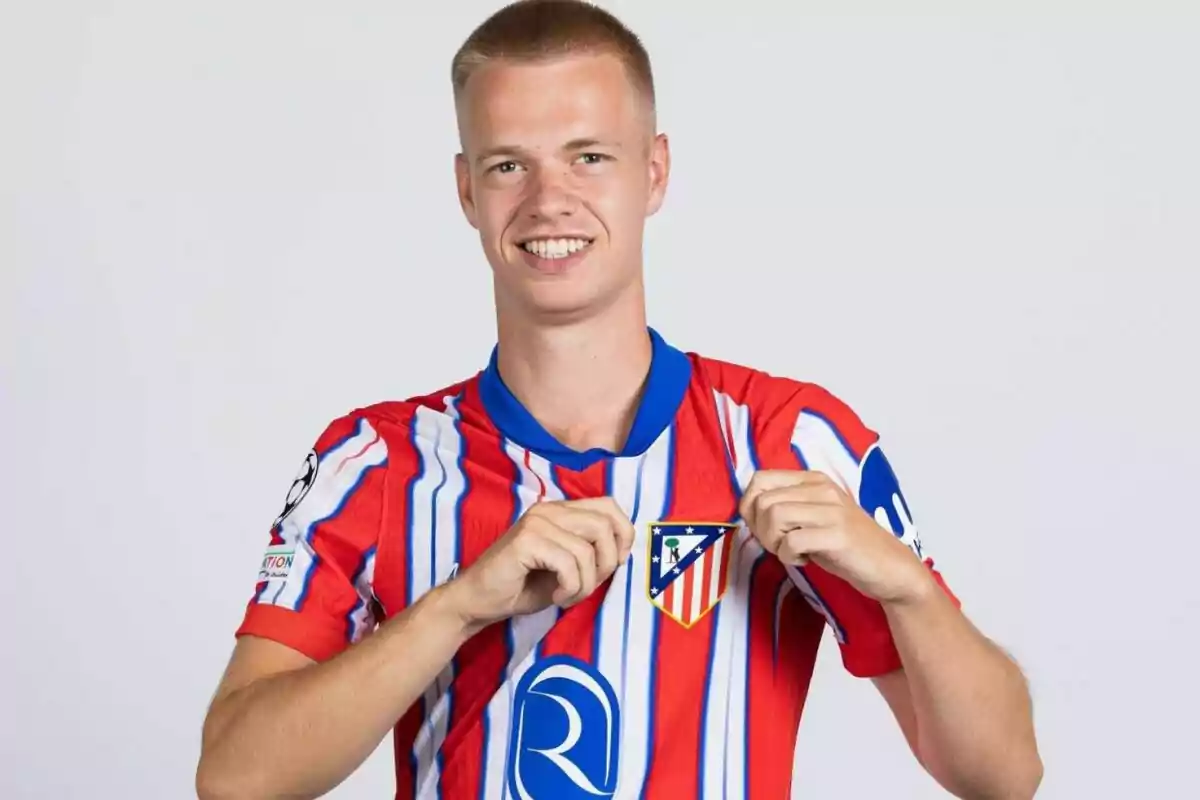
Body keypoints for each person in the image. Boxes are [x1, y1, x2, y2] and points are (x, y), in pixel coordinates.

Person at [195, 1, 1043, 798]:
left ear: (655, 171)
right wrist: (455, 607)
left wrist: (909, 591)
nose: (547, 200)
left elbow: (1003, 775)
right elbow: (233, 776)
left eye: (588, 156)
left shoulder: (789, 438)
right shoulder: (377, 460)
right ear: (466, 191)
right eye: (507, 165)